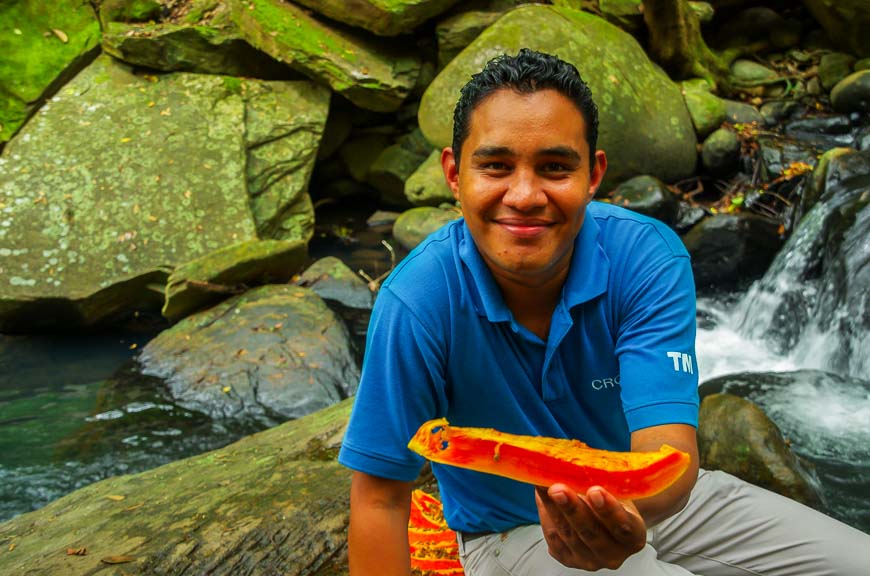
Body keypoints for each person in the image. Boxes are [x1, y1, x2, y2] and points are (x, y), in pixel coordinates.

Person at [338, 49, 868, 575]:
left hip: (663, 506)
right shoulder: (418, 301)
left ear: (593, 174)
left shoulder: (645, 258)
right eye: (496, 166)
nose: (524, 195)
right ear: (454, 174)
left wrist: (622, 516)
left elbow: (668, 454)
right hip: (509, 532)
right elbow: (380, 499)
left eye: (554, 167)